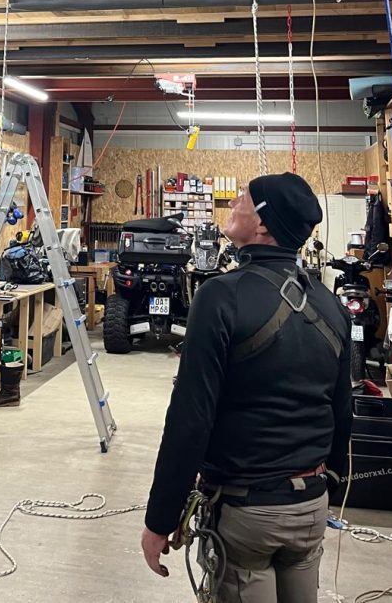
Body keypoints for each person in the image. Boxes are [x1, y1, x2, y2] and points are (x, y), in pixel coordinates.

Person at [142, 174, 352, 602]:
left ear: (263, 224)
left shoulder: (220, 296)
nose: (234, 203)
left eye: (243, 198)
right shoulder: (330, 304)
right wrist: (330, 481)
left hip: (249, 511)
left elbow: (190, 417)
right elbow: (342, 408)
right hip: (310, 507)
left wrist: (160, 518)